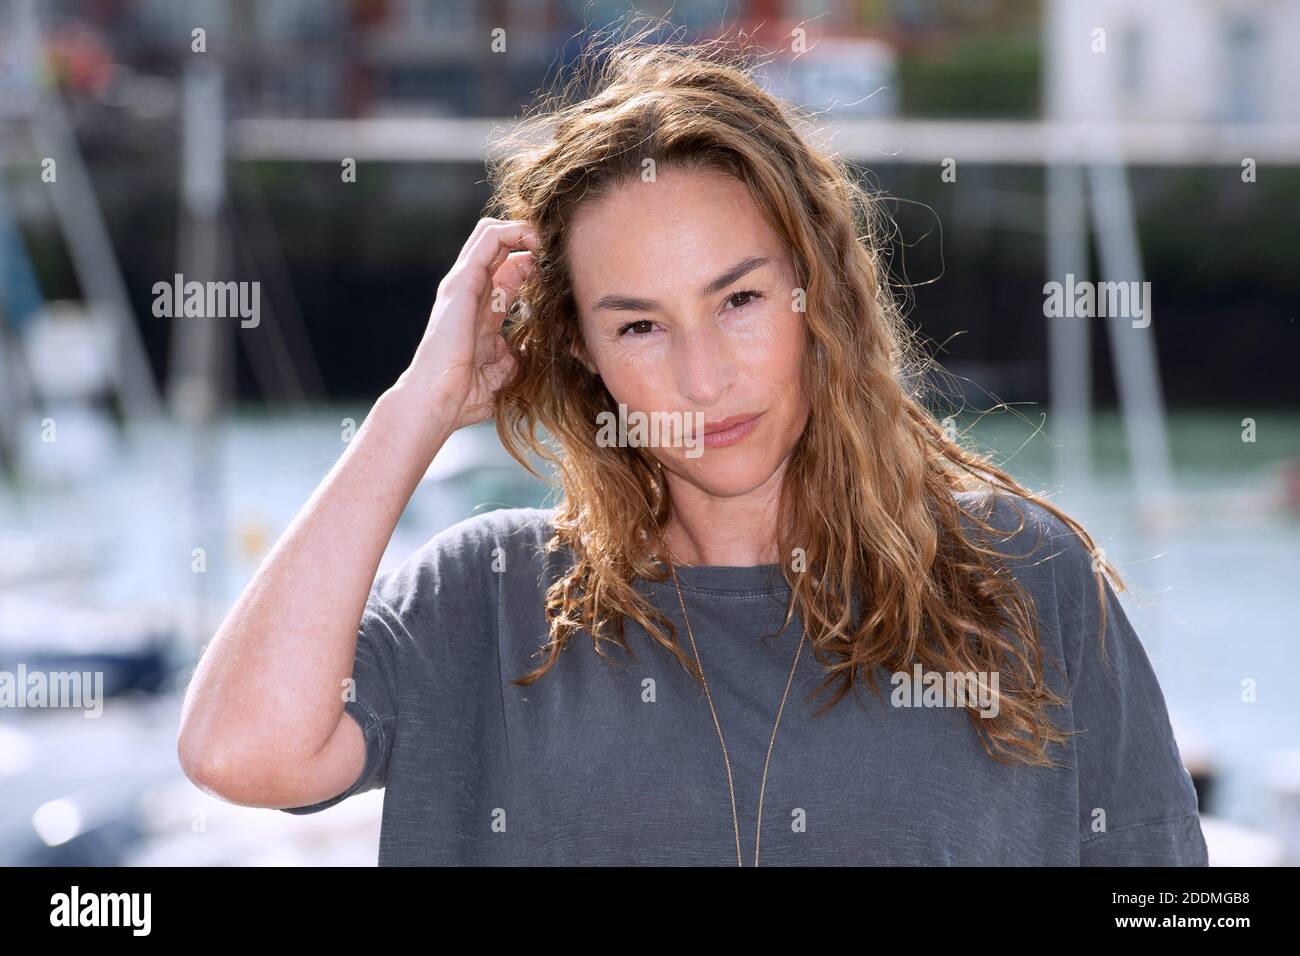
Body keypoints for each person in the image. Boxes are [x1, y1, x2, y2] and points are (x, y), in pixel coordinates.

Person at [177, 30, 1208, 867]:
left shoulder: (1021, 582)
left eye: (740, 299)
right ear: (577, 350)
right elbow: (238, 747)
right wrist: (418, 404)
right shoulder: (487, 601)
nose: (702, 377)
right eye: (638, 325)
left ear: (821, 290)